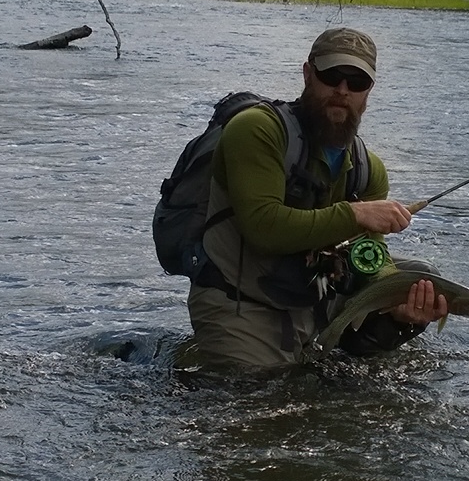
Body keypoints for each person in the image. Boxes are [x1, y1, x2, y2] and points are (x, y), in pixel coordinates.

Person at [188, 26, 451, 373]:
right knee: (262, 393)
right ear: (308, 74)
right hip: (240, 301)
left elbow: (367, 256)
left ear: (369, 90)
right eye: (331, 75)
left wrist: (397, 304)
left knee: (421, 278)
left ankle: (347, 348)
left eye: (356, 82)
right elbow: (263, 227)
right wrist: (355, 215)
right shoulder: (256, 129)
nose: (342, 90)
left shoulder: (368, 169)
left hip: (314, 296)